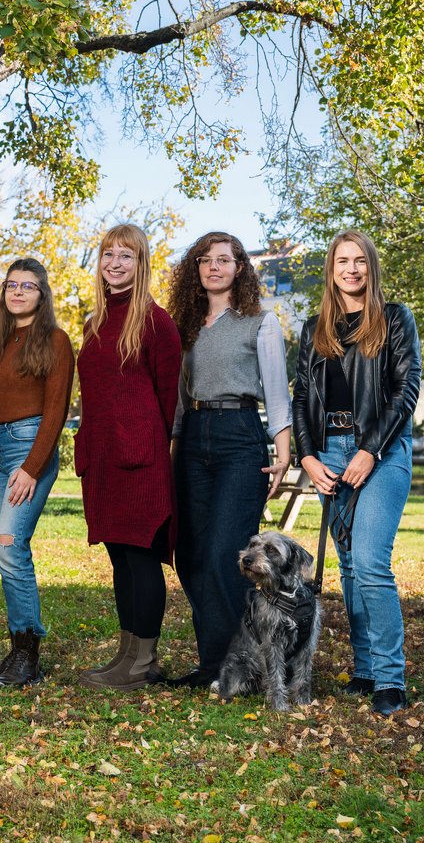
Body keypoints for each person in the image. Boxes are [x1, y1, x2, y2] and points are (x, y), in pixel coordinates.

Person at [292, 230, 421, 717]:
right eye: (342, 261)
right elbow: (302, 398)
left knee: (369, 563)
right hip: (329, 454)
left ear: (372, 267)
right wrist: (308, 457)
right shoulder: (314, 329)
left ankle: (391, 679)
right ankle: (364, 670)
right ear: (331, 269)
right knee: (347, 568)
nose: (351, 269)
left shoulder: (394, 319)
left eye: (360, 261)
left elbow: (404, 392)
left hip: (383, 451)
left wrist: (370, 450)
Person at [164, 232, 292, 688]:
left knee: (224, 554)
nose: (214, 267)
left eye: (224, 259)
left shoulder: (260, 321)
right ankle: (212, 664)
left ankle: (239, 668)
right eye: (206, 259)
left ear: (240, 267)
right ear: (195, 268)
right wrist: (173, 450)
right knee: (191, 555)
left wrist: (283, 451)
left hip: (240, 437)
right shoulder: (185, 326)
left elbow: (277, 392)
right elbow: (179, 400)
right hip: (193, 440)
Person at [74, 223, 182, 691]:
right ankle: (126, 653)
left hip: (141, 461)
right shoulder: (94, 323)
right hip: (102, 459)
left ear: (141, 265)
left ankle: (144, 662)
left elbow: (169, 399)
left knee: (140, 558)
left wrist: (150, 448)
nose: (115, 264)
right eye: (108, 255)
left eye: (126, 257)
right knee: (119, 557)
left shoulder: (157, 323)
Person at [0, 258, 75, 687]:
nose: (17, 292)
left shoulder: (55, 340)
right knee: (4, 550)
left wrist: (32, 467)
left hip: (27, 445)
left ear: (41, 294)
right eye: (11, 285)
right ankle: (17, 649)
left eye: (27, 286)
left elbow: (55, 410)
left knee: (11, 547)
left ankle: (29, 654)